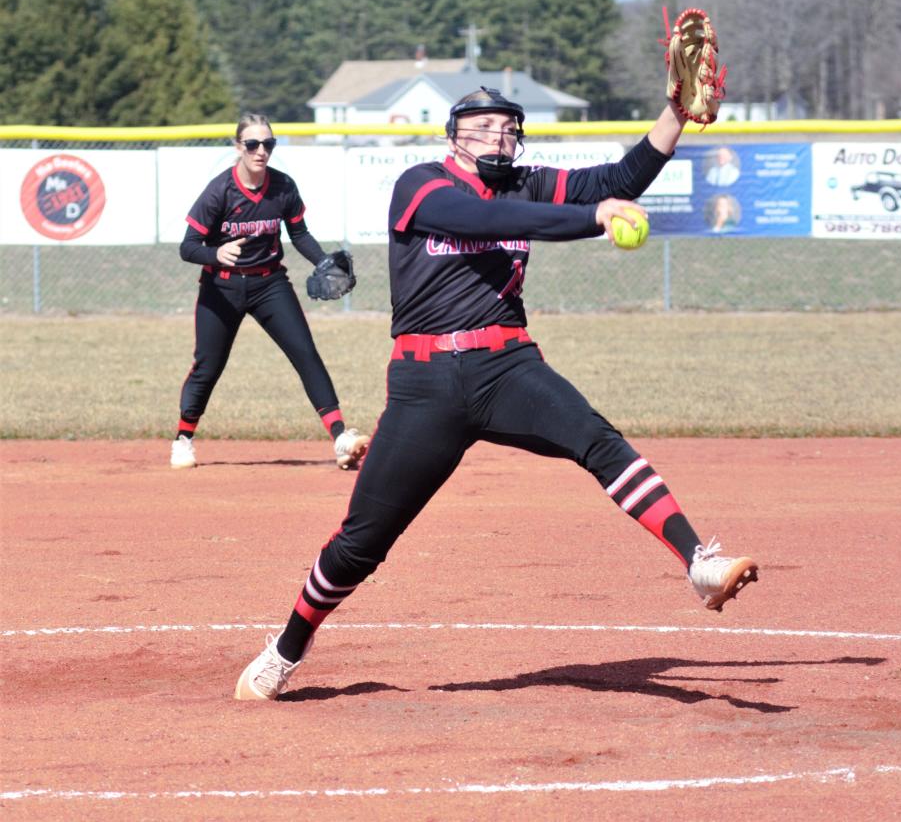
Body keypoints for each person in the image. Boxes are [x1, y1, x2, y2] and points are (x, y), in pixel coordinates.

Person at [234, 89, 759, 701]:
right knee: (362, 543)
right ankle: (288, 647)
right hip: (425, 383)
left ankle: (699, 563)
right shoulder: (420, 185)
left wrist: (676, 115)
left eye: (507, 128)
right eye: (481, 127)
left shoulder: (524, 184)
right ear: (453, 134)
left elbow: (619, 178)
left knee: (598, 440)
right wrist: (593, 219)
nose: (497, 138)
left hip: (508, 366)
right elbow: (486, 221)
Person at [170, 113, 368, 471]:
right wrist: (214, 253)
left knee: (305, 353)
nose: (261, 151)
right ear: (238, 147)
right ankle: (184, 438)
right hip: (221, 286)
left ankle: (340, 436)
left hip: (269, 283)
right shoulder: (220, 191)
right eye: (252, 144)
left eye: (268, 144)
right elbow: (188, 246)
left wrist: (325, 263)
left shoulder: (283, 186)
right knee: (209, 365)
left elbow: (299, 234)